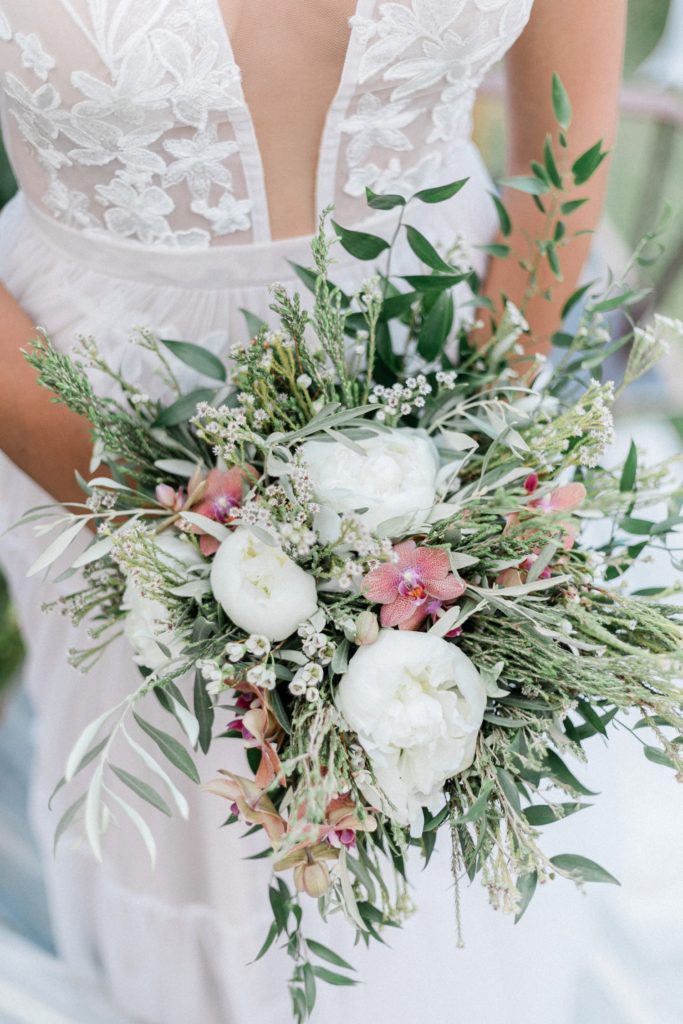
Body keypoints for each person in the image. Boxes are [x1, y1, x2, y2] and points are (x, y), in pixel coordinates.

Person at [0, 3, 626, 1022]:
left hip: (453, 372)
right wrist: (159, 526)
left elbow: (566, 135)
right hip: (88, 418)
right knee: (189, 843)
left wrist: (480, 458)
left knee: (440, 842)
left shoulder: (471, 437)